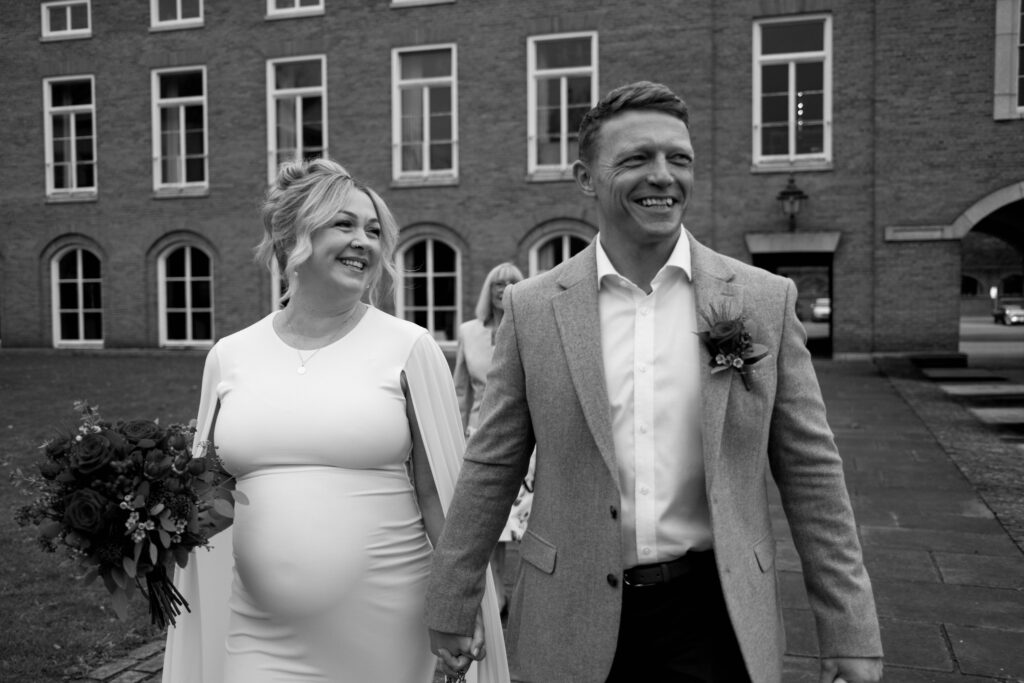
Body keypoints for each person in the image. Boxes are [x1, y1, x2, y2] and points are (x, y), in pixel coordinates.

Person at [425, 82, 884, 683]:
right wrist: (453, 599)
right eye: (637, 159)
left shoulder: (762, 300)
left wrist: (850, 630)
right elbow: (491, 463)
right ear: (586, 177)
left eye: (679, 159)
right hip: (567, 613)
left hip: (714, 616)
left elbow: (813, 473)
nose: (663, 176)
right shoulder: (534, 309)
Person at [161, 157, 509, 683]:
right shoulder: (230, 356)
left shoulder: (409, 348)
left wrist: (459, 602)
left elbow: (440, 494)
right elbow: (212, 500)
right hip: (259, 631)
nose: (364, 242)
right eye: (343, 225)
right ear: (290, 238)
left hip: (389, 629)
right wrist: (137, 523)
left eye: (373, 231)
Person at [453, 262, 533, 615]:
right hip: (479, 436)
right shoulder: (469, 332)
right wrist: (455, 434)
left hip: (525, 441)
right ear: (489, 290)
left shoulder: (532, 326)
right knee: (488, 522)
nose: (503, 290)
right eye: (497, 284)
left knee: (523, 525)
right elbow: (460, 391)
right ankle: (498, 595)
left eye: (512, 283)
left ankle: (524, 594)